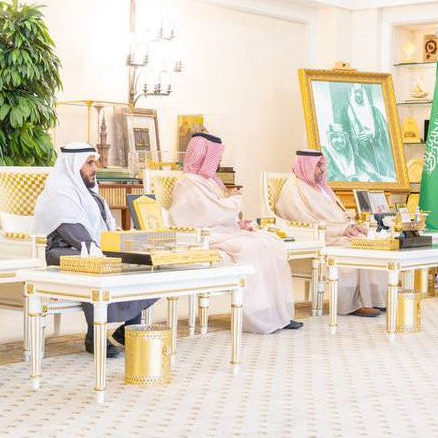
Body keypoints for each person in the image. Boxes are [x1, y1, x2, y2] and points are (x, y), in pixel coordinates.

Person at [167, 133, 301, 333]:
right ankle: (258, 316)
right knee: (252, 248)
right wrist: (236, 200)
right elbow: (207, 213)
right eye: (215, 156)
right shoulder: (187, 182)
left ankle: (279, 313)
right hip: (202, 236)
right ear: (203, 155)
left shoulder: (210, 181)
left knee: (273, 243)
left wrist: (237, 224)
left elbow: (218, 213)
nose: (218, 161)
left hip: (222, 232)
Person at [32, 143, 155, 357]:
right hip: (61, 253)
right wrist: (110, 250)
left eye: (94, 163)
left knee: (143, 261)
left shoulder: (92, 195)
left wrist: (126, 243)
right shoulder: (59, 195)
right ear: (73, 165)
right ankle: (94, 336)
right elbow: (76, 235)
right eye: (89, 163)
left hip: (89, 249)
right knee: (95, 262)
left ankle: (129, 329)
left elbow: (107, 229)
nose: (95, 168)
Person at [274, 150, 385, 317]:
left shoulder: (321, 187)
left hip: (336, 233)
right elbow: (303, 220)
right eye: (317, 165)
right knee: (353, 248)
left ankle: (375, 299)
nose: (322, 170)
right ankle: (352, 304)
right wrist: (342, 229)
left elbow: (339, 214)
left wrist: (353, 225)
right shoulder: (293, 187)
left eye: (322, 165)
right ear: (305, 165)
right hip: (319, 236)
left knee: (370, 242)